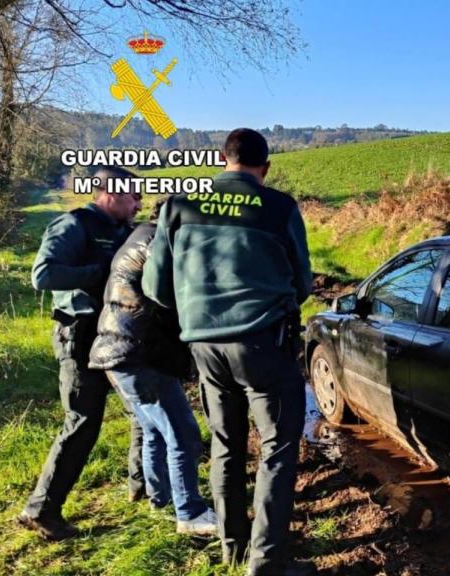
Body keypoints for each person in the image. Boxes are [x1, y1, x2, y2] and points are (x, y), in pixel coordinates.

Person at [143, 128, 313, 576]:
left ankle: (232, 546)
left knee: (226, 443)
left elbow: (155, 287)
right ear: (266, 167)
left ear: (223, 159)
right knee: (277, 448)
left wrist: (196, 311)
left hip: (204, 346)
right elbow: (305, 283)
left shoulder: (179, 204)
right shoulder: (279, 206)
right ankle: (267, 561)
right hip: (263, 344)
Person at [18, 168, 145, 540]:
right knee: (83, 421)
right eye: (133, 196)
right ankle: (41, 510)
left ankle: (144, 486)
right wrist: (103, 273)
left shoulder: (125, 232)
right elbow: (43, 275)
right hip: (80, 333)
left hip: (116, 334)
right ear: (107, 193)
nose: (138, 202)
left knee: (141, 409)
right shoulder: (75, 225)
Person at [88, 201, 217, 537]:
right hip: (139, 354)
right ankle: (190, 512)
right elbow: (174, 297)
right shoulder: (160, 245)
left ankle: (160, 499)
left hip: (117, 350)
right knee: (184, 433)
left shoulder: (139, 236)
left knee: (156, 430)